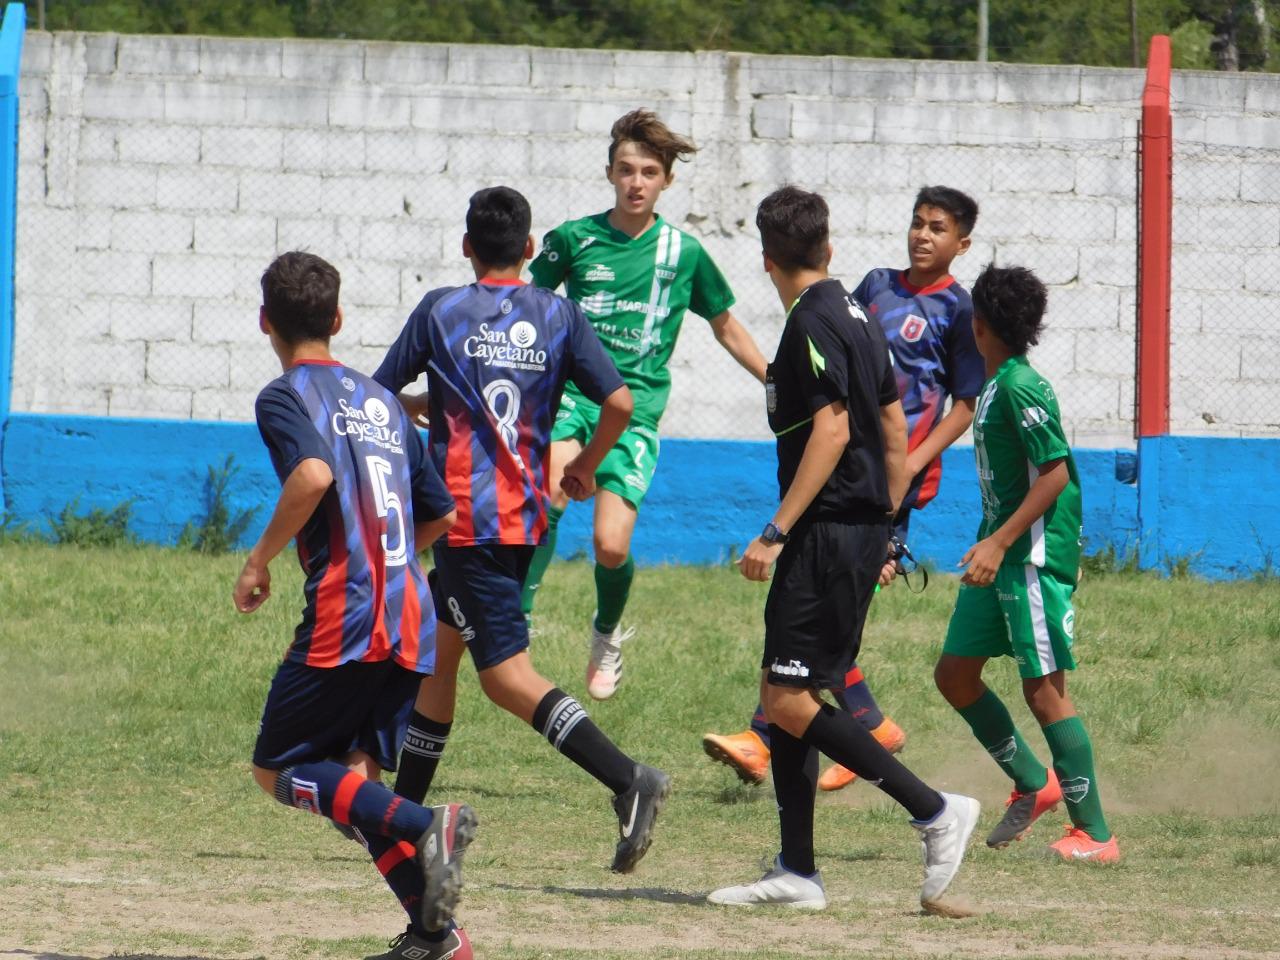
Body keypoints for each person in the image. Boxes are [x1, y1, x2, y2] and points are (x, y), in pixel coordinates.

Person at [373, 186, 671, 875]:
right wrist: (585, 468)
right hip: (523, 518)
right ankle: (398, 818)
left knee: (507, 680)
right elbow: (621, 403)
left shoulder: (441, 310)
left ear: (467, 247)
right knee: (438, 660)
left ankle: (629, 780)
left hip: (467, 521)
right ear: (531, 251)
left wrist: (418, 403)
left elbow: (379, 393)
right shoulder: (558, 313)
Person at [708, 187, 979, 913]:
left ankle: (933, 809)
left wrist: (775, 531)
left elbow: (832, 433)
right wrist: (890, 527)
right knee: (792, 689)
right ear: (827, 248)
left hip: (825, 532)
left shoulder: (811, 324)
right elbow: (894, 428)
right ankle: (797, 871)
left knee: (786, 697)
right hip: (858, 530)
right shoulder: (859, 312)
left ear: (767, 262)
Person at [234, 251, 476, 960]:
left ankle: (429, 823)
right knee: (352, 781)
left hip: (348, 616)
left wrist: (258, 560)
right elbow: (441, 513)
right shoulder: (380, 399)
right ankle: (434, 937)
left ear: (264, 324)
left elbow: (310, 475)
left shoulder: (284, 396)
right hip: (410, 618)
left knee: (277, 768)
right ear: (338, 320)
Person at [520, 108, 769, 700]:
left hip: (634, 412)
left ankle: (606, 637)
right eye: (626, 170)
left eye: (649, 172)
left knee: (611, 545)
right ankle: (515, 618)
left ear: (666, 182)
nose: (636, 182)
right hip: (572, 400)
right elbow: (523, 307)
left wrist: (774, 377)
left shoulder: (682, 254)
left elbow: (725, 324)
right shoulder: (573, 240)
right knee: (550, 492)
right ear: (610, 173)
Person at [934, 263, 1120, 863]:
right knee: (955, 675)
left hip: (1030, 556)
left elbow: (1055, 475)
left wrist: (999, 542)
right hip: (999, 551)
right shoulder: (993, 384)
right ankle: (1033, 782)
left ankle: (1095, 833)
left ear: (979, 324)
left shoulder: (1020, 386)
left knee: (1043, 691)